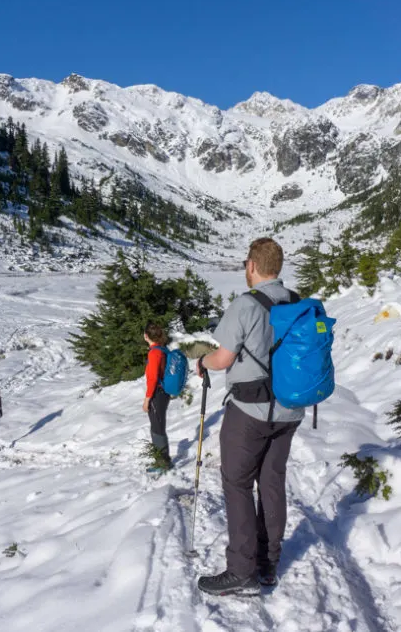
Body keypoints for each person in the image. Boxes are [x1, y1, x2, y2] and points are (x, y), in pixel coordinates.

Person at [195, 237, 303, 596]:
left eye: (246, 265)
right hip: (290, 411)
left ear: (252, 266)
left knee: (237, 483)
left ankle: (242, 569)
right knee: (271, 484)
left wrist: (202, 362)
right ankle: (268, 565)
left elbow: (222, 359)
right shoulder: (297, 302)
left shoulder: (245, 305)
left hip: (250, 411)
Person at [143, 322, 173, 473]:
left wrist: (147, 399)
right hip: (164, 392)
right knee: (159, 426)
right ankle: (164, 461)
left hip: (157, 394)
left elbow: (153, 378)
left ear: (146, 336)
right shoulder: (163, 349)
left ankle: (162, 463)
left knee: (157, 428)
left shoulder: (154, 352)